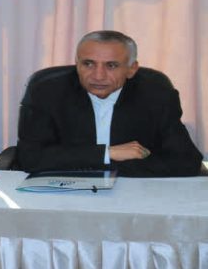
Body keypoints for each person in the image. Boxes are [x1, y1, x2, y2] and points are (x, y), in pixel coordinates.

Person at [17, 30, 203, 177]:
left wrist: (94, 164)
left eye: (111, 65)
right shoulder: (47, 92)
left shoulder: (157, 96)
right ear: (77, 64)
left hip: (134, 192)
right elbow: (30, 158)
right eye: (88, 64)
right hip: (64, 191)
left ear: (131, 69)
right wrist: (107, 154)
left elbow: (186, 161)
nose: (98, 76)